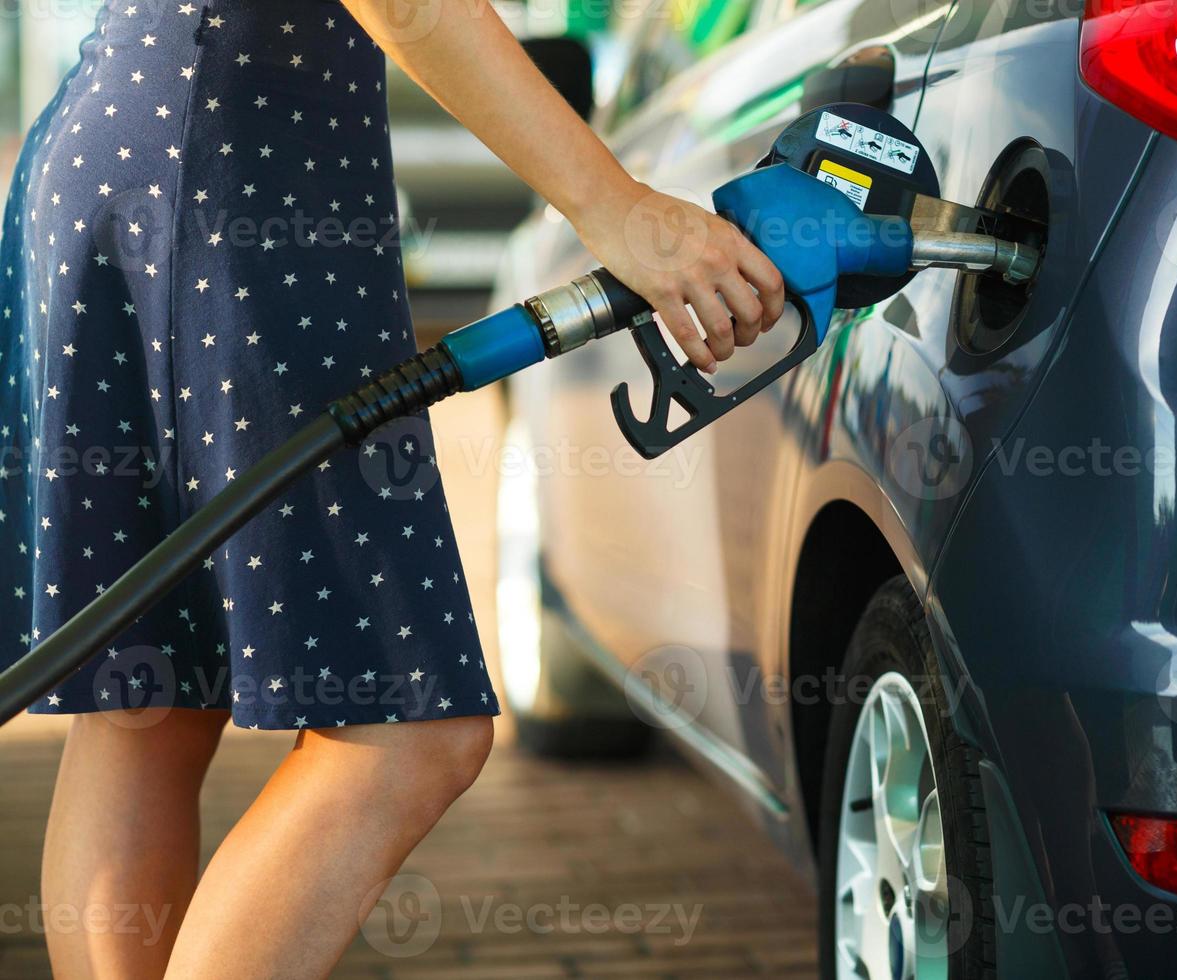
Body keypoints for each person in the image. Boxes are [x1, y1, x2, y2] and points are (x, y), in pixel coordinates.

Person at [0, 0, 783, 975]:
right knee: (407, 731)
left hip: (134, 135)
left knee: (148, 703)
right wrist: (615, 208)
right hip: (233, 177)